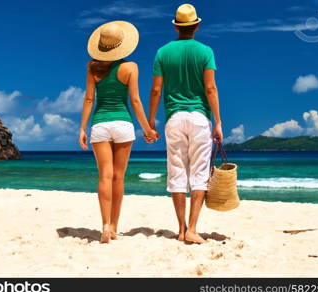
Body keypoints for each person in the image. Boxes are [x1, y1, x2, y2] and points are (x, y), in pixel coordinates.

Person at [148, 4, 223, 244]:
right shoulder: (205, 52)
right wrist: (218, 122)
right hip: (200, 118)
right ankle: (192, 228)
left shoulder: (162, 52)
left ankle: (180, 230)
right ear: (197, 26)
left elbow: (156, 89)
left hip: (174, 118)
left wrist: (151, 121)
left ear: (176, 27)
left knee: (177, 173)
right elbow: (210, 88)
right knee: (199, 174)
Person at [79, 21, 158, 243]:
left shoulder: (93, 67)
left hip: (100, 125)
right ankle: (114, 226)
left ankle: (104, 225)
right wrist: (148, 129)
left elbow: (89, 98)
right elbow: (135, 100)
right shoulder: (130, 67)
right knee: (118, 178)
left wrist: (82, 128)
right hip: (123, 125)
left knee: (104, 175)